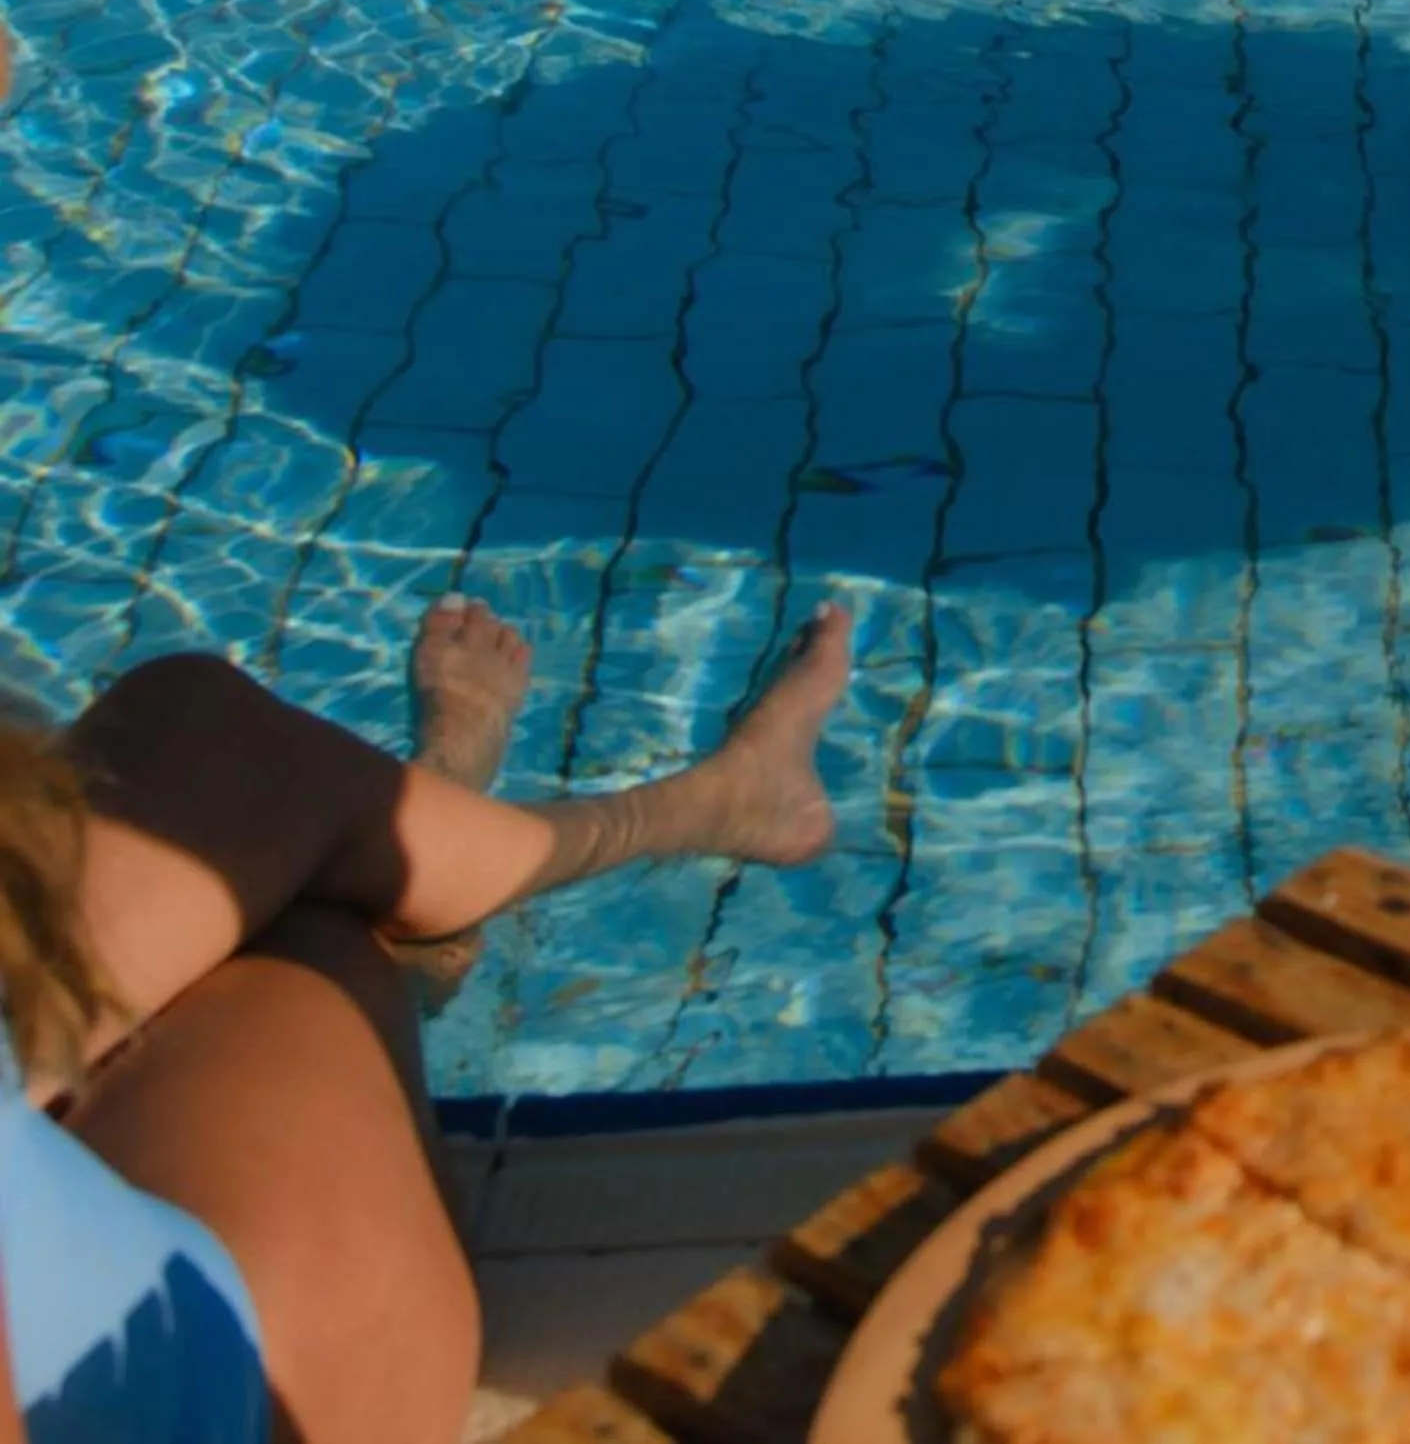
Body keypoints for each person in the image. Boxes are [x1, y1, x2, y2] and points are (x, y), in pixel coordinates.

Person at [0, 592, 856, 1444]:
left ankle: (431, 837)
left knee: (201, 731)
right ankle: (685, 805)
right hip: (223, 1387)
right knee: (306, 929)